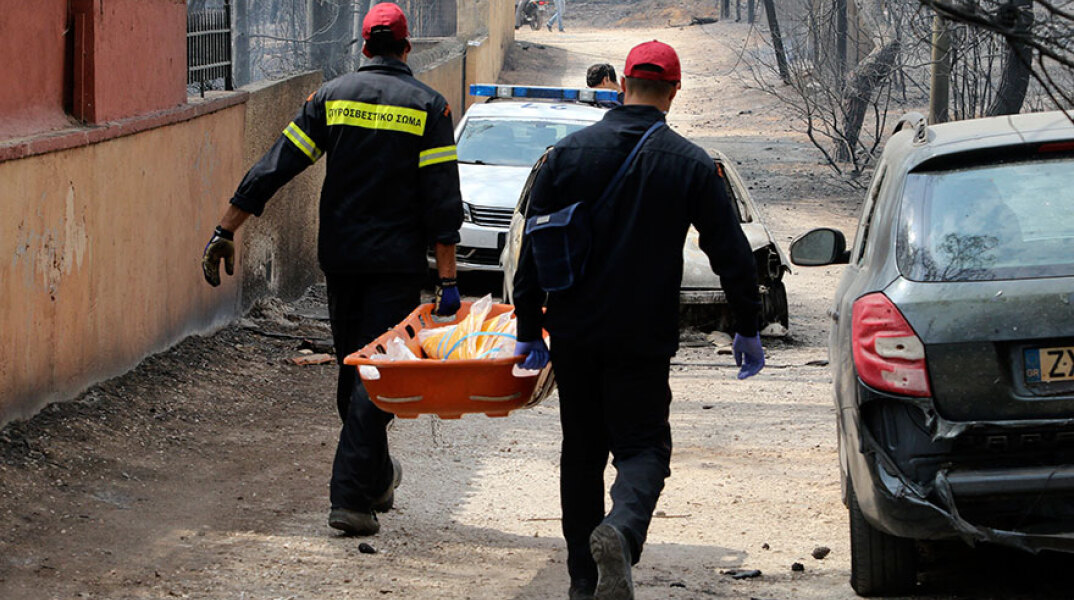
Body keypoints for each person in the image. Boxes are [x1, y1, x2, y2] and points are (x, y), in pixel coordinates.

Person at [512, 40, 765, 600]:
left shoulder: (566, 154)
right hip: (642, 337)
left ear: (623, 83)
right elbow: (731, 251)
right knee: (644, 449)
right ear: (674, 91)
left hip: (574, 334)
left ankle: (584, 583)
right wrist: (746, 324)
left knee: (581, 453)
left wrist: (529, 327)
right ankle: (622, 532)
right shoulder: (691, 163)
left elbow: (534, 247)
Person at [201, 2, 463, 537]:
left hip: (340, 260)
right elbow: (442, 205)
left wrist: (226, 227)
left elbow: (277, 164)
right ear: (407, 49)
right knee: (374, 374)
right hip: (393, 267)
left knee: (354, 372)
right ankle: (351, 499)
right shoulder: (429, 107)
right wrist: (449, 280)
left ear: (363, 47)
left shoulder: (331, 97)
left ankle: (377, 478)